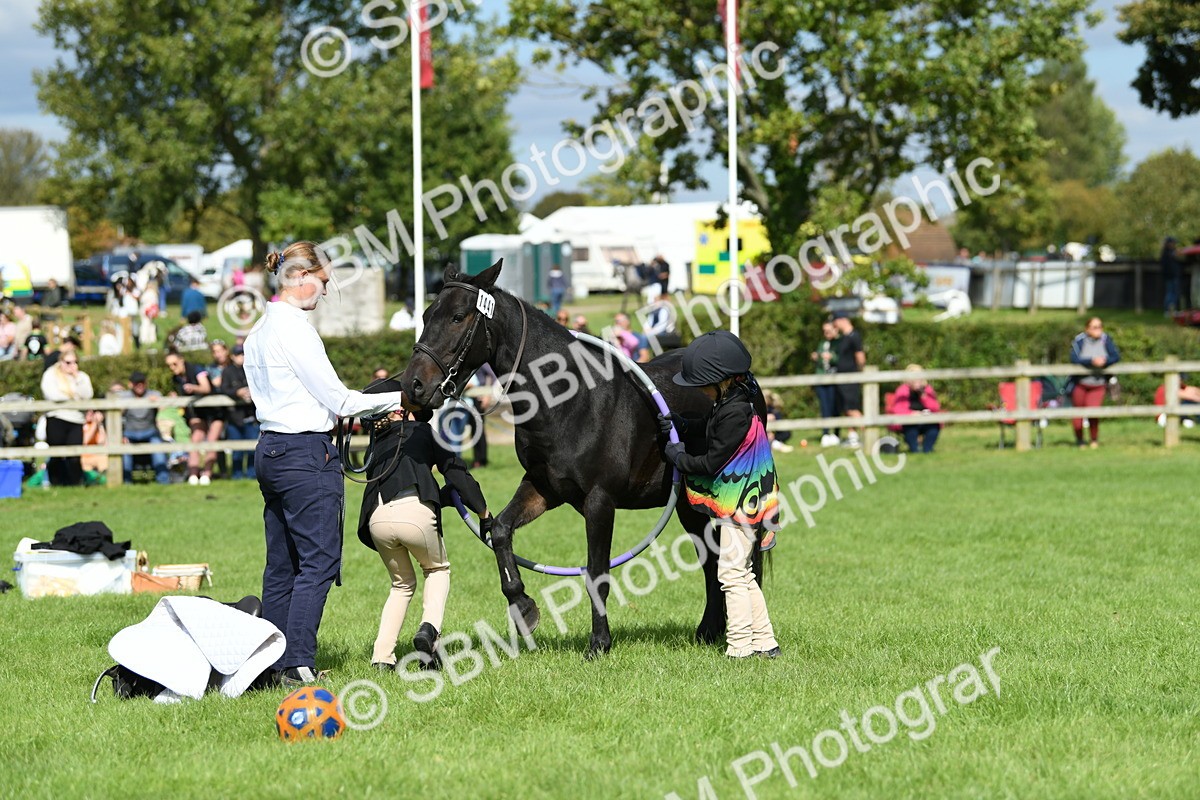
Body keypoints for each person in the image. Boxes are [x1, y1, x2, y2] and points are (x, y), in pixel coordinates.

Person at [243, 241, 407, 687]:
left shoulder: (258, 331)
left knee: (282, 565)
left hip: (270, 449)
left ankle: (267, 664)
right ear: (299, 277)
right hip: (304, 454)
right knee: (319, 562)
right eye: (323, 280)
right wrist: (404, 397)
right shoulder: (295, 330)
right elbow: (340, 399)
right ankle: (296, 663)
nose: (326, 289)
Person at [658, 330, 780, 660]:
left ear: (721, 380)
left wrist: (678, 458)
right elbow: (709, 429)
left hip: (742, 502)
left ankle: (739, 647)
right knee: (745, 572)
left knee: (730, 573)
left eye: (701, 384)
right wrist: (680, 424)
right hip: (747, 499)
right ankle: (766, 643)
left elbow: (712, 463)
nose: (698, 390)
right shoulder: (730, 405)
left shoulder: (735, 413)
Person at [357, 379, 490, 670]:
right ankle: (429, 632)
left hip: (376, 518)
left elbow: (403, 484)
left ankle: (382, 658)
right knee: (437, 570)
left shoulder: (375, 445)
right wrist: (483, 512)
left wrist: (442, 498)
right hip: (415, 514)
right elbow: (456, 474)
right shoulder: (423, 431)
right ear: (397, 410)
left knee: (401, 584)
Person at [165, 348, 223, 484]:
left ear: (181, 360)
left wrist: (193, 388)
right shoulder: (176, 378)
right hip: (197, 411)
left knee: (211, 441)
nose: (172, 368)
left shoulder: (196, 369)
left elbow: (206, 388)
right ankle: (193, 475)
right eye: (169, 366)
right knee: (195, 440)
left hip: (215, 409)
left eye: (174, 364)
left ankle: (206, 475)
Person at [40, 350, 94, 486]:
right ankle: (55, 483)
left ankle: (76, 484)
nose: (72, 365)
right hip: (56, 418)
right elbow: (52, 395)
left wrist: (77, 378)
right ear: (61, 362)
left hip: (76, 419)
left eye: (75, 362)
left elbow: (87, 394)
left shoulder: (82, 377)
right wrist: (74, 398)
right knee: (56, 454)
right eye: (68, 362)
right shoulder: (51, 375)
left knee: (75, 456)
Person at [1069, 317, 1120, 448]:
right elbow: (1074, 358)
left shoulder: (1106, 339)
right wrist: (1091, 361)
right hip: (1080, 383)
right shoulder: (1079, 341)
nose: (1098, 329)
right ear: (1087, 329)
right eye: (1095, 327)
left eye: (1100, 326)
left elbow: (1115, 356)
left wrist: (1104, 361)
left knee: (1093, 412)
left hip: (1098, 384)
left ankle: (1093, 440)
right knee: (1077, 414)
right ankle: (1080, 441)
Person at [119, 370, 171, 484]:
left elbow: (165, 408)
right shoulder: (123, 396)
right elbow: (116, 415)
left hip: (150, 431)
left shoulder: (154, 394)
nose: (140, 385)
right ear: (130, 384)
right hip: (129, 433)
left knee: (158, 448)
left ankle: (164, 481)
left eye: (142, 382)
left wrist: (156, 403)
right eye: (136, 383)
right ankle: (126, 483)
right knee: (124, 450)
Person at [219, 344, 259, 480]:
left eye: (243, 354)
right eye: (238, 354)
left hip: (251, 415)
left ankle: (251, 475)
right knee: (236, 450)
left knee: (252, 448)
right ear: (232, 356)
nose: (241, 357)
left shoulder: (253, 370)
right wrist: (237, 392)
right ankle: (236, 476)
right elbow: (223, 389)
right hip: (234, 417)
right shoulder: (228, 371)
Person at [889, 364, 942, 453]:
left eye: (919, 377)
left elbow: (935, 408)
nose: (916, 380)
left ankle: (927, 450)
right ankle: (915, 450)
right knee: (910, 429)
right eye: (913, 377)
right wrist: (912, 414)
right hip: (910, 421)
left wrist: (924, 396)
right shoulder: (902, 390)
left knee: (934, 427)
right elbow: (898, 410)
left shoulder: (927, 390)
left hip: (927, 420)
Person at [832, 312, 865, 447]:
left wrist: (859, 372)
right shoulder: (843, 337)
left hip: (850, 377)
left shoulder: (854, 336)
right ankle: (853, 436)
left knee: (852, 408)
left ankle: (868, 434)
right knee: (846, 408)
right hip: (842, 377)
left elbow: (861, 357)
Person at [811, 321, 838, 446]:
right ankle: (825, 433)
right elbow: (819, 359)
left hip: (835, 378)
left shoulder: (839, 343)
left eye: (828, 330)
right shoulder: (822, 343)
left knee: (834, 406)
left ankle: (836, 433)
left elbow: (842, 359)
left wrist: (832, 357)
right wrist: (817, 356)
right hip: (821, 378)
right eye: (824, 331)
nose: (826, 333)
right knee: (824, 406)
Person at [1161, 237, 1181, 316]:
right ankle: (1168, 310)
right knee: (1170, 294)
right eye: (1173, 243)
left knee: (1174, 293)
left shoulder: (1171, 252)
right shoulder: (1167, 253)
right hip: (1170, 277)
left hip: (1174, 276)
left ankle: (1173, 310)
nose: (1174, 244)